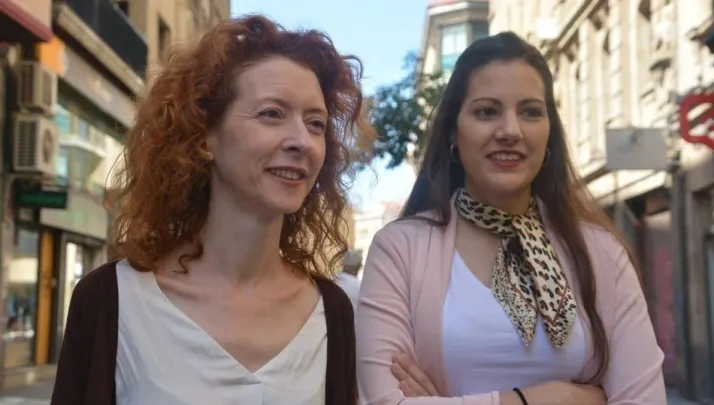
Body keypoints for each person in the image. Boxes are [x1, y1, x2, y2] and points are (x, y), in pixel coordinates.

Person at [51, 15, 371, 405]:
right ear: (204, 136)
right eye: (271, 114)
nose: (302, 141)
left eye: (315, 123)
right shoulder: (108, 302)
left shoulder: (332, 314)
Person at [356, 32, 666, 405]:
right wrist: (544, 399)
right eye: (487, 111)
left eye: (530, 112)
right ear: (454, 130)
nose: (510, 131)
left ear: (549, 132)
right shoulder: (399, 249)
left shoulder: (601, 252)